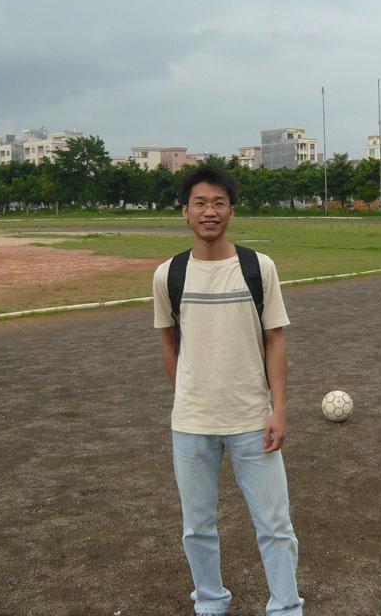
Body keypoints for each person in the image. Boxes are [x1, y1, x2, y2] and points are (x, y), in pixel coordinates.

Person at [152, 166, 303, 616]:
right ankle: (210, 602)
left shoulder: (258, 267)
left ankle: (285, 607)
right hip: (192, 424)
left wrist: (279, 409)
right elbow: (169, 345)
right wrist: (189, 395)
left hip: (252, 420)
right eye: (200, 203)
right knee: (196, 526)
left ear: (232, 211)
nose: (209, 212)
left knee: (275, 525)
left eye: (219, 203)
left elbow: (275, 341)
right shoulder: (169, 274)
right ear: (185, 211)